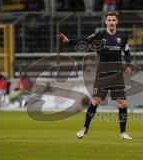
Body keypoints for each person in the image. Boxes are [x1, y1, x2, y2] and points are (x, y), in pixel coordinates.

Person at [57, 11, 132, 139]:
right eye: (109, 20)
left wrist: (129, 64)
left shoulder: (123, 37)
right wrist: (69, 41)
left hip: (117, 73)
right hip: (103, 72)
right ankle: (85, 127)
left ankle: (123, 133)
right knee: (95, 101)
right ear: (106, 22)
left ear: (117, 22)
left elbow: (127, 52)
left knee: (122, 103)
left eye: (114, 20)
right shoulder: (99, 35)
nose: (112, 22)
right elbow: (85, 41)